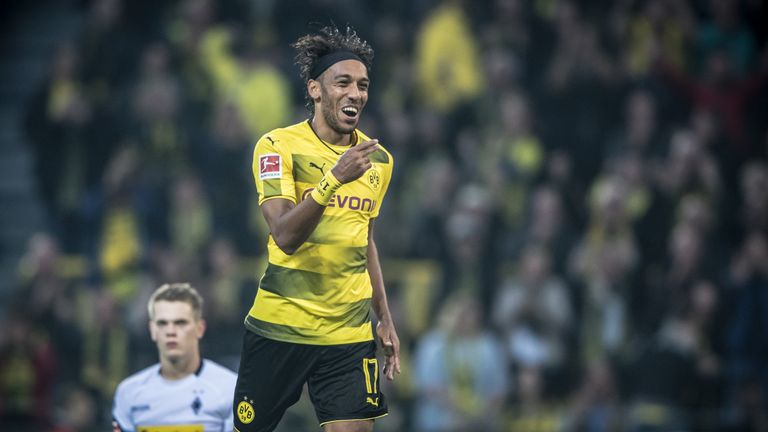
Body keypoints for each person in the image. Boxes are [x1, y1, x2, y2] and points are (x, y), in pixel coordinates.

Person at [233, 24, 400, 432]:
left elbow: (366, 241)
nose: (355, 94)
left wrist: (384, 316)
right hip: (281, 325)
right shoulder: (276, 146)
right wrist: (332, 180)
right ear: (315, 90)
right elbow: (284, 236)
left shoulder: (378, 161)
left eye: (362, 85)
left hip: (348, 332)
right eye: (342, 82)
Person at [112, 283, 237, 431]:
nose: (171, 331)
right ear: (152, 330)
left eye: (180, 322)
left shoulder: (229, 389)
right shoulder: (129, 393)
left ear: (200, 329)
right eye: (162, 323)